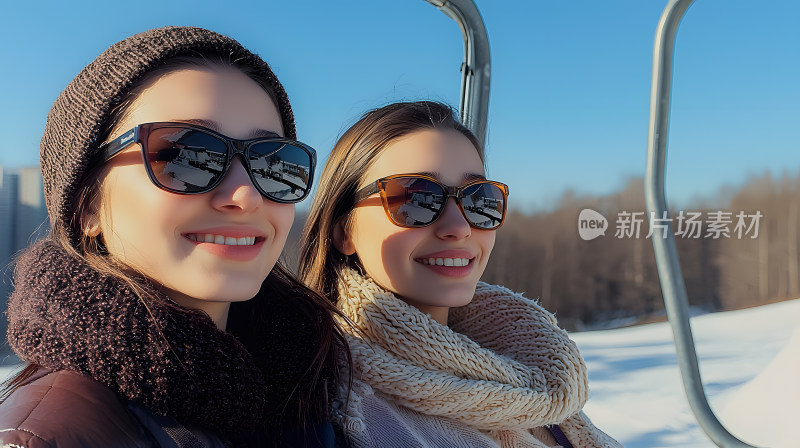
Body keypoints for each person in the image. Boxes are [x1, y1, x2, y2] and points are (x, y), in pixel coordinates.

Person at [0, 26, 346, 447]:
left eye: (274, 164)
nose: (245, 195)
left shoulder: (305, 384)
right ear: (87, 205)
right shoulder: (46, 437)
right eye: (185, 155)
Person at [299, 101, 622, 448]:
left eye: (478, 199)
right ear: (342, 230)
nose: (459, 227)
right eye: (415, 198)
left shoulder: (529, 369)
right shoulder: (333, 407)